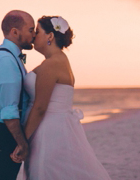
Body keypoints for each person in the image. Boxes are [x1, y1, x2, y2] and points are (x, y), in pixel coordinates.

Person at [14, 15, 111, 180]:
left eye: (37, 32)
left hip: (47, 130)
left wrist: (22, 140)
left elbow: (40, 107)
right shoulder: (59, 60)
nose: (33, 36)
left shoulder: (52, 64)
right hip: (56, 126)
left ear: (50, 36)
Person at [0, 10, 36, 180]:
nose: (34, 34)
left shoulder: (11, 57)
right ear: (15, 32)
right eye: (31, 30)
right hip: (0, 132)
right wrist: (21, 142)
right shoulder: (6, 60)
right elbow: (9, 110)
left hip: (1, 131)